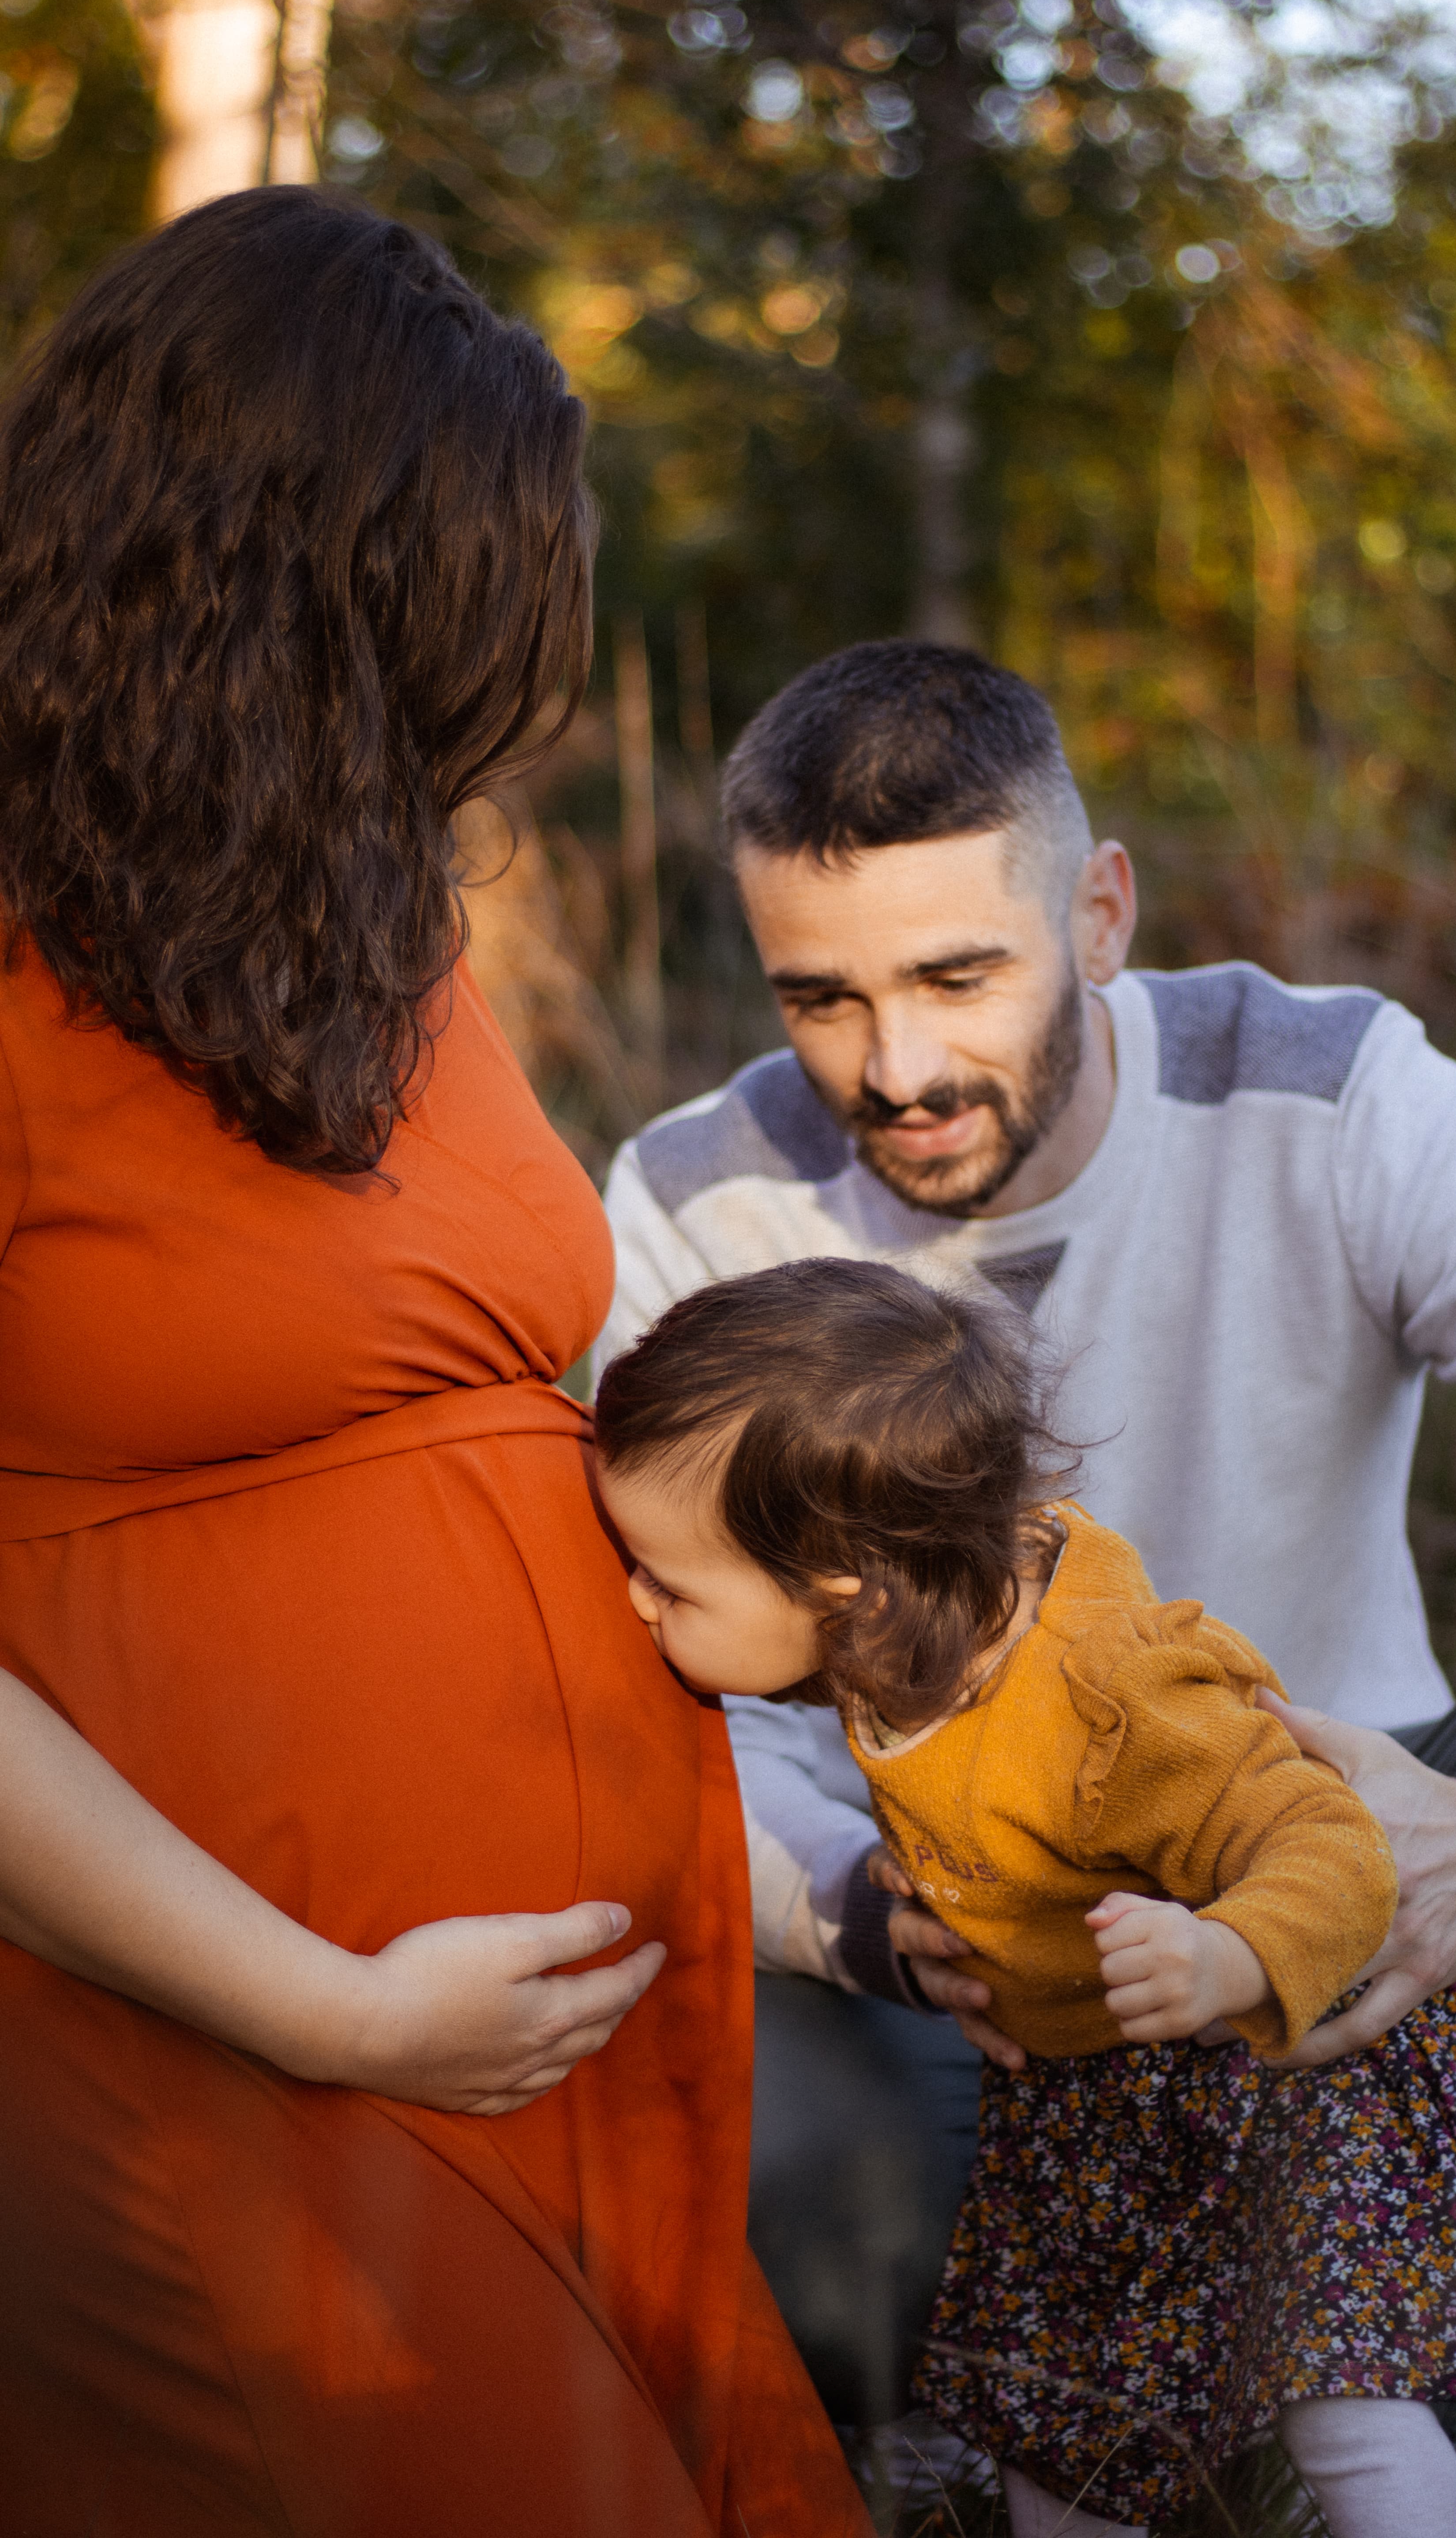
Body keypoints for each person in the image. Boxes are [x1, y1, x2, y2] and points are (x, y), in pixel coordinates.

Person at [0, 189, 868, 2538]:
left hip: (569, 2052)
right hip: (219, 2051)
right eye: (444, 628)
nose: (476, 719)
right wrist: (322, 2007)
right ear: (266, 583)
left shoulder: (362, 922)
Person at [592, 637, 1456, 2427]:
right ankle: (1096, 2389)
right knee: (784, 2145)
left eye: (962, 973)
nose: (898, 1066)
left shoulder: (1340, 1096)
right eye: (823, 998)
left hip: (1362, 1885)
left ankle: (1364, 2328)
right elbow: (663, 1688)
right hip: (974, 1964)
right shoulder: (692, 1201)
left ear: (1100, 913)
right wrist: (862, 1915)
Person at [591, 1257, 1456, 2538]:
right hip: (1101, 2086)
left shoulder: (1107, 1699)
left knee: (1344, 2408)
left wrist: (1223, 1957)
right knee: (1060, 2409)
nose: (632, 1600)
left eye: (669, 1583)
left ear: (841, 1588)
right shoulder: (898, 1629)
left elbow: (1339, 1852)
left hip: (1298, 2043)